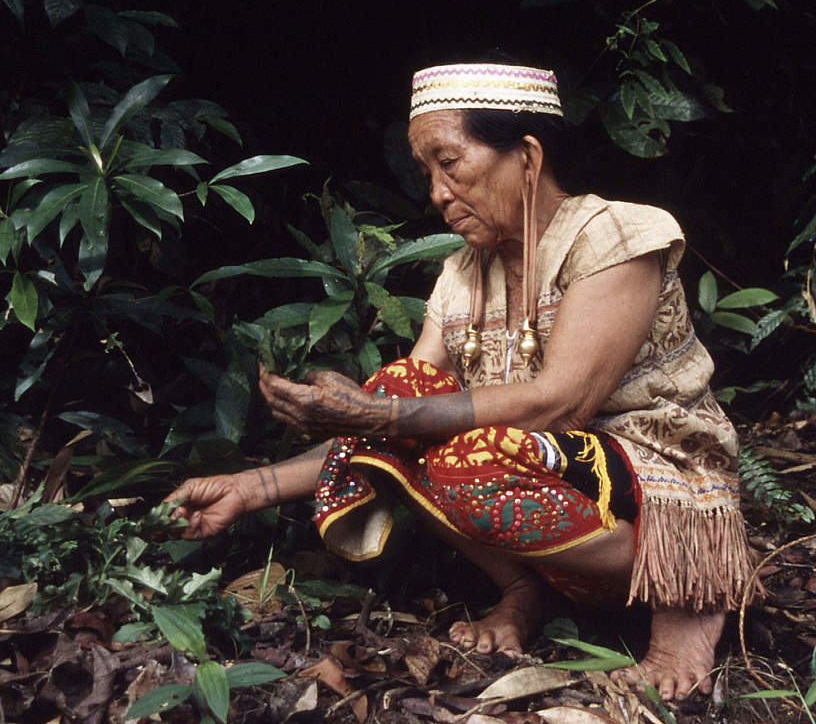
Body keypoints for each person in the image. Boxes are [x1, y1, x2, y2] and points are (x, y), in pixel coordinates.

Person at [165, 62, 752, 701]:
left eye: (451, 163)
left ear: (526, 156)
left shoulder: (615, 233)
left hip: (662, 495)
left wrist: (378, 416)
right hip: (555, 492)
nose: (439, 193)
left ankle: (690, 603)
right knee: (405, 387)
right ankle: (523, 590)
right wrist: (247, 488)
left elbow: (563, 401)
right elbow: (395, 413)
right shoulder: (462, 275)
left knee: (448, 444)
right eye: (428, 174)